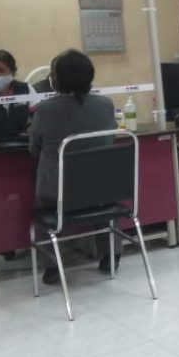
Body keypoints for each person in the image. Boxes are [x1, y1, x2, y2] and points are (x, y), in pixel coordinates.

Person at [29, 50, 118, 285]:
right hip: (101, 189)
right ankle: (111, 255)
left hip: (57, 193)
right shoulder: (106, 105)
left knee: (42, 201)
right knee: (105, 194)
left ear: (56, 79)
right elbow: (110, 138)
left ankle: (52, 267)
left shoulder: (45, 110)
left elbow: (34, 148)